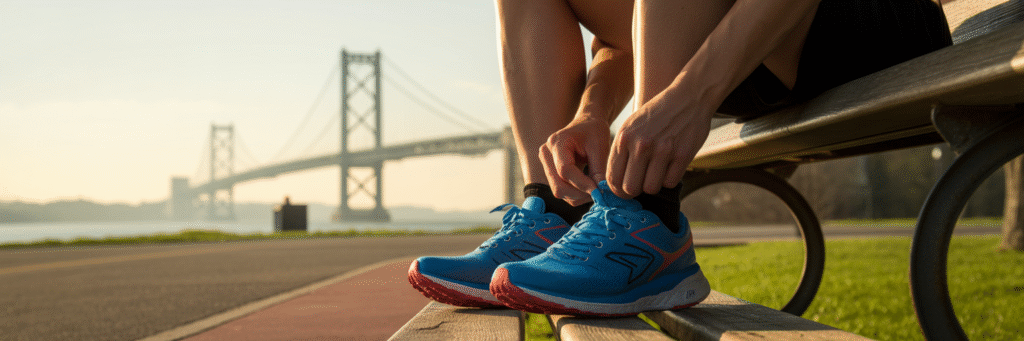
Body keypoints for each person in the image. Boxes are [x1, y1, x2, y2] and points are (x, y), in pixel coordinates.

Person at [409, 0, 951, 316]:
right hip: (746, 40)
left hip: (872, 24)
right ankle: (555, 210)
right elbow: (629, 36)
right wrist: (591, 113)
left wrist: (691, 96)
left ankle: (651, 219)